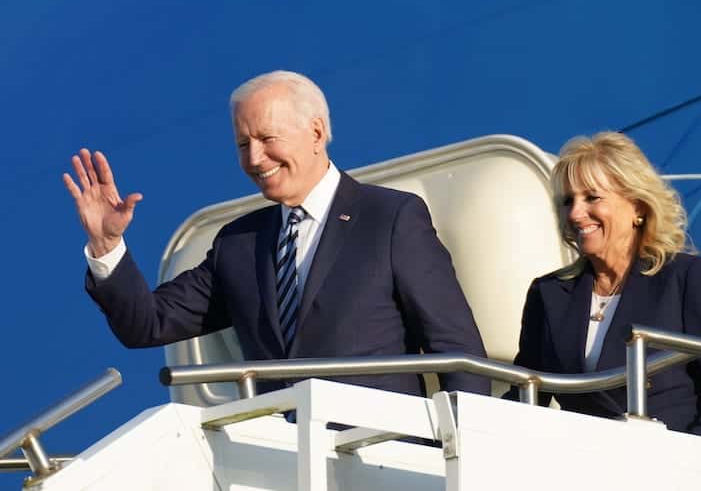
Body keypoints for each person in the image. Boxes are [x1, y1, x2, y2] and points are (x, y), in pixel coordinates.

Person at [63, 70, 489, 398]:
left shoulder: (390, 218)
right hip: (278, 466)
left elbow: (457, 351)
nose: (254, 158)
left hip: (382, 458)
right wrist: (106, 244)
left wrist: (458, 459)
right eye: (242, 144)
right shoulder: (239, 243)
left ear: (317, 132)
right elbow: (147, 325)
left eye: (267, 138)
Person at [509, 131, 701, 440]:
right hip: (581, 465)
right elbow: (525, 400)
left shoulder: (684, 277)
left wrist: (689, 466)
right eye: (568, 201)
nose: (575, 213)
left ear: (637, 206)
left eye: (592, 197)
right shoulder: (548, 294)